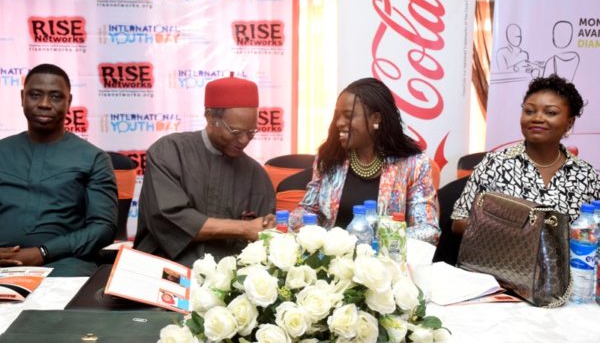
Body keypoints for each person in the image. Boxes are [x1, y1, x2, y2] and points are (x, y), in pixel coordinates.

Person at [134, 76, 276, 266]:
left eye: (251, 132)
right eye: (235, 132)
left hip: (230, 280)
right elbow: (169, 218)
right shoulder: (169, 152)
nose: (244, 140)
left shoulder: (256, 174)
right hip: (166, 270)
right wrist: (244, 228)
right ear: (210, 117)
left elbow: (262, 236)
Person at [289, 77, 440, 244]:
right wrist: (285, 223)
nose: (339, 123)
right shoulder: (330, 158)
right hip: (332, 262)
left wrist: (372, 242)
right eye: (337, 116)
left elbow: (428, 229)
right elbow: (309, 209)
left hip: (385, 264)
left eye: (348, 116)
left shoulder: (413, 164)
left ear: (376, 119)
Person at [0, 63, 118, 276]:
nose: (45, 104)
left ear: (69, 101)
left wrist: (42, 252)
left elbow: (103, 227)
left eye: (55, 96)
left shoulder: (94, 158)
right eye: (35, 95)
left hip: (65, 264)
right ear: (22, 98)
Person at [452, 74, 600, 234]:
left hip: (567, 260)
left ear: (569, 123)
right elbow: (459, 222)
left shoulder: (587, 176)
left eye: (550, 113)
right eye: (529, 111)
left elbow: (593, 234)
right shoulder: (494, 164)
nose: (537, 118)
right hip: (502, 257)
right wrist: (514, 234)